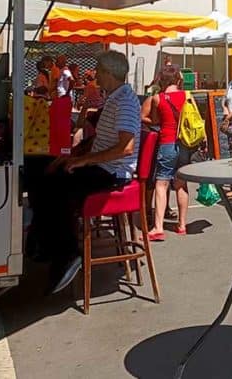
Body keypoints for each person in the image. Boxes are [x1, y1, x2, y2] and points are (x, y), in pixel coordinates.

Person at [34, 51, 140, 295]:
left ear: (108, 73)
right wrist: (75, 157)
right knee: (48, 176)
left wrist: (83, 161)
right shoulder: (113, 98)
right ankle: (47, 243)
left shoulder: (124, 101)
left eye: (98, 71)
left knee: (58, 187)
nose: (95, 76)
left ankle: (67, 254)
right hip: (103, 167)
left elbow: (125, 148)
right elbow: (100, 142)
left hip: (114, 173)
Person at [141, 65, 190, 240]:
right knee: (181, 184)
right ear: (178, 80)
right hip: (184, 144)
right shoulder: (187, 96)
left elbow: (154, 120)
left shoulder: (157, 99)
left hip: (167, 142)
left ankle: (158, 227)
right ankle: (182, 225)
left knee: (161, 184)